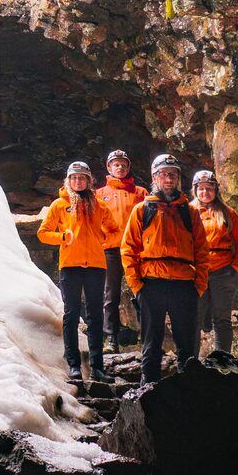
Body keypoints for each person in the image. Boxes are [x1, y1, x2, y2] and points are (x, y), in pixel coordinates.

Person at [119, 153, 209, 384]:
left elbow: (201, 250)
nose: (168, 178)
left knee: (186, 345)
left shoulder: (189, 212)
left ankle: (187, 391)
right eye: (164, 174)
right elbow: (128, 249)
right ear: (154, 177)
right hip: (152, 284)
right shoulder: (142, 210)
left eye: (173, 174)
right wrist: (137, 285)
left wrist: (199, 285)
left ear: (178, 178)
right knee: (151, 343)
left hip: (183, 284)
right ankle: (146, 394)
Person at [37, 161, 117, 383]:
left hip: (95, 265)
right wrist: (62, 237)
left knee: (95, 315)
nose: (78, 181)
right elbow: (43, 233)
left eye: (82, 178)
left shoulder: (99, 205)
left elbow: (114, 231)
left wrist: (101, 242)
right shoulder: (59, 205)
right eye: (74, 178)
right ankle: (73, 365)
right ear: (68, 180)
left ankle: (97, 367)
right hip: (70, 265)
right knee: (71, 315)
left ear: (89, 181)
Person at [191, 169, 238, 355]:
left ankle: (222, 359)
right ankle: (190, 361)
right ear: (195, 190)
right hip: (197, 271)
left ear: (215, 190)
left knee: (222, 319)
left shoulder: (227, 213)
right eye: (201, 188)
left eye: (209, 188)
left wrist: (235, 267)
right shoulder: (188, 212)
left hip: (223, 271)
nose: (205, 192)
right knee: (194, 318)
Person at [96, 149, 146, 352]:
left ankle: (148, 337)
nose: (120, 167)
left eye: (123, 164)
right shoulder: (99, 194)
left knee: (143, 293)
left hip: (136, 249)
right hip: (110, 249)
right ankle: (111, 340)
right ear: (109, 167)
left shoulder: (141, 193)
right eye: (116, 164)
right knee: (110, 295)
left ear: (129, 167)